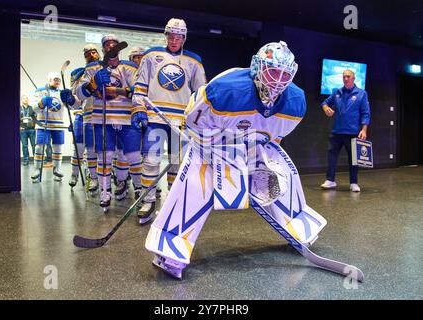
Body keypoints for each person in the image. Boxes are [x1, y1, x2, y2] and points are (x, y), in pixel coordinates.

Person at [144, 42, 327, 279]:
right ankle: (170, 247)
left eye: (285, 73)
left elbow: (275, 137)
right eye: (273, 71)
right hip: (213, 141)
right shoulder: (224, 89)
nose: (278, 80)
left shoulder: (296, 101)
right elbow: (192, 122)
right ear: (257, 67)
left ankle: (298, 228)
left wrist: (261, 165)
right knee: (195, 182)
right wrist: (212, 151)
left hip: (254, 144)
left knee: (283, 173)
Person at [132, 18, 206, 224]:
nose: (174, 40)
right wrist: (138, 109)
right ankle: (147, 200)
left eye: (179, 36)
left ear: (184, 38)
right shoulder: (151, 55)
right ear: (165, 35)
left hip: (181, 121)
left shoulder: (194, 61)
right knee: (151, 160)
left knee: (177, 162)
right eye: (171, 36)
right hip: (156, 117)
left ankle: (173, 199)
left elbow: (201, 93)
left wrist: (199, 119)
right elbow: (140, 86)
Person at [76, 34, 143, 211]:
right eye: (107, 45)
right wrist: (93, 84)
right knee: (104, 157)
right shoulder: (93, 68)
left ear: (119, 48)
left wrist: (118, 90)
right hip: (102, 119)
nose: (111, 47)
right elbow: (80, 94)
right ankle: (105, 192)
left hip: (126, 119)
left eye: (114, 44)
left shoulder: (129, 67)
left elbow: (139, 90)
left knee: (133, 156)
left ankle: (138, 188)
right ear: (103, 48)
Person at [320, 69, 371, 192]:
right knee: (331, 156)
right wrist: (326, 107)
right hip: (337, 132)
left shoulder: (361, 93)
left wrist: (364, 129)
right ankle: (330, 180)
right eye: (344, 77)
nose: (345, 78)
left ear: (353, 79)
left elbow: (365, 113)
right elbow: (325, 102)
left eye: (348, 76)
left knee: (353, 159)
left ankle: (353, 183)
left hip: (352, 132)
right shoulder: (337, 92)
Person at [66, 44, 101, 193]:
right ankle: (75, 174)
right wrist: (69, 99)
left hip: (106, 115)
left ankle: (100, 178)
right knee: (81, 147)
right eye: (87, 54)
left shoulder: (108, 69)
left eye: (94, 52)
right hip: (85, 115)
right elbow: (76, 101)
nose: (91, 55)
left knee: (107, 151)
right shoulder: (80, 74)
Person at [31, 72, 66, 182]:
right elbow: (34, 108)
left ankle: (57, 169)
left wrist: (70, 99)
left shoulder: (62, 93)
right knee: (39, 147)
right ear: (50, 79)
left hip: (58, 125)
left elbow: (72, 106)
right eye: (55, 79)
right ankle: (37, 169)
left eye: (59, 80)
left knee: (58, 148)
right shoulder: (41, 91)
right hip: (43, 124)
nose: (57, 81)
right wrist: (42, 102)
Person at [19, 95, 37, 166]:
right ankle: (26, 160)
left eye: (27, 98)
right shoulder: (19, 108)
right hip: (23, 130)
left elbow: (35, 118)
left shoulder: (31, 108)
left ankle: (36, 159)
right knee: (24, 146)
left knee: (34, 145)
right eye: (24, 99)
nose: (25, 100)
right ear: (21, 100)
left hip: (31, 130)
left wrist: (35, 126)